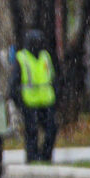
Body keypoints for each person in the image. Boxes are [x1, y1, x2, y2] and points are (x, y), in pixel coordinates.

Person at [11, 28, 57, 163]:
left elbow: (52, 78)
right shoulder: (22, 58)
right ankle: (32, 157)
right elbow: (14, 84)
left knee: (51, 130)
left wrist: (56, 95)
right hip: (29, 102)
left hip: (47, 101)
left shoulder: (45, 57)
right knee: (32, 132)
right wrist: (19, 102)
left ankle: (45, 156)